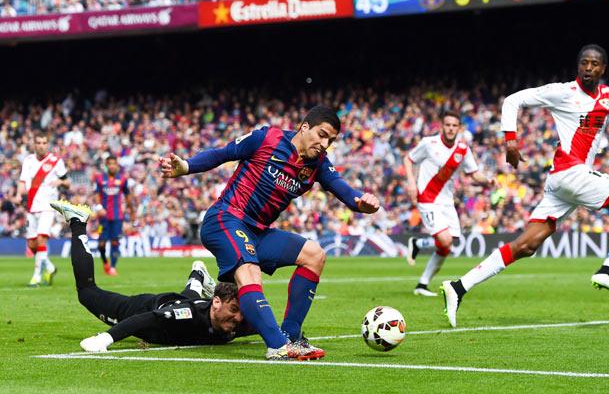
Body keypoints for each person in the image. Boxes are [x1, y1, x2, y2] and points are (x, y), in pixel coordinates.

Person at [441, 44, 609, 327]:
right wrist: (510, 140)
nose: (588, 68)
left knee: (526, 245)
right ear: (578, 66)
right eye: (584, 63)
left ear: (603, 69)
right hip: (571, 173)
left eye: (594, 64)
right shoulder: (562, 92)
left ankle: (458, 287)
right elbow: (512, 101)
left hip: (564, 182)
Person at [159, 105, 381, 360]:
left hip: (258, 232)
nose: (324, 144)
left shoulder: (318, 164)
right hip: (226, 218)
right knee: (250, 271)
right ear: (304, 127)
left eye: (330, 140)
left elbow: (343, 189)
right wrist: (185, 166)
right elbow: (223, 153)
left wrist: (360, 202)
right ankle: (277, 346)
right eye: (322, 135)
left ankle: (290, 336)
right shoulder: (267, 138)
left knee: (314, 255)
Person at [50, 199, 253, 352]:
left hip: (183, 301)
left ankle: (198, 275)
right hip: (146, 307)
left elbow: (266, 327)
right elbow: (145, 319)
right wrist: (104, 339)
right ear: (217, 302)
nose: (238, 318)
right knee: (87, 293)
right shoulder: (187, 315)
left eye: (240, 312)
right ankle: (78, 221)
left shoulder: (235, 322)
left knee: (188, 296)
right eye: (234, 309)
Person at [404, 111, 495, 296]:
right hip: (427, 198)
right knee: (444, 239)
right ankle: (420, 248)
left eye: (454, 125)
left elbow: (474, 173)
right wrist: (412, 183)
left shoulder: (462, 149)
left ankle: (422, 282)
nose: (451, 128)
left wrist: (487, 181)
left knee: (447, 245)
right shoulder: (429, 143)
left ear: (459, 128)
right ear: (441, 126)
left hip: (446, 202)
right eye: (447, 125)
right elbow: (408, 159)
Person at [15, 131, 69, 287]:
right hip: (32, 207)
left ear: (48, 144)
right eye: (38, 142)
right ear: (34, 144)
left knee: (41, 239)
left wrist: (60, 182)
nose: (41, 146)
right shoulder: (28, 160)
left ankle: (36, 277)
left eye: (44, 143)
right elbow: (22, 180)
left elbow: (68, 183)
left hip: (48, 206)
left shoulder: (56, 161)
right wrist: (19, 194)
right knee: (32, 245)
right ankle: (50, 267)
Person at [93, 155, 135, 276]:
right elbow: (96, 194)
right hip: (103, 218)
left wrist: (132, 211)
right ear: (106, 165)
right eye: (109, 163)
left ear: (117, 165)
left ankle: (112, 267)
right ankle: (105, 262)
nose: (112, 166)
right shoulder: (100, 179)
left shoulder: (122, 179)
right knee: (101, 244)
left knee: (115, 242)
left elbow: (127, 196)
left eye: (114, 163)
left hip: (117, 217)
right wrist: (99, 207)